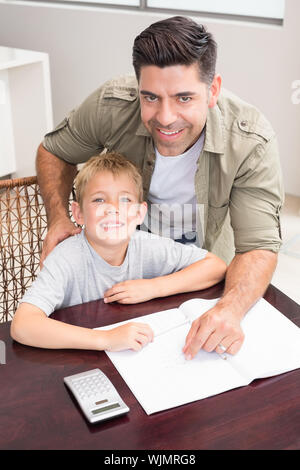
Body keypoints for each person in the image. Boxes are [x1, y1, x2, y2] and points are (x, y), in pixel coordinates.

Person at [35, 16, 283, 358]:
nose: (165, 117)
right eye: (150, 97)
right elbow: (54, 151)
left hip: (200, 281)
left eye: (184, 98)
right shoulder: (111, 106)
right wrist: (58, 217)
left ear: (213, 90)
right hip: (122, 282)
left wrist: (231, 308)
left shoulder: (250, 140)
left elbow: (258, 247)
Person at [11, 152, 226, 353]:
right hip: (82, 354)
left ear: (140, 213)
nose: (113, 209)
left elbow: (215, 266)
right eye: (99, 200)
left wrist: (154, 287)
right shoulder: (66, 258)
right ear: (79, 213)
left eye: (125, 200)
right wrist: (106, 339)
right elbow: (23, 325)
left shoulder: (146, 245)